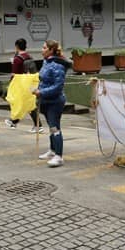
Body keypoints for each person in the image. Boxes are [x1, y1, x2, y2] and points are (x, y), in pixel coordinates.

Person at [34, 39, 72, 167]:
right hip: (45, 100)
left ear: (51, 50)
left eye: (44, 48)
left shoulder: (58, 65)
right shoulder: (46, 62)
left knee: (55, 127)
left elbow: (58, 86)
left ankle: (59, 156)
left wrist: (42, 92)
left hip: (55, 102)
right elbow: (43, 80)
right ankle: (52, 150)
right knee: (51, 126)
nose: (42, 50)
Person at [4, 38, 44, 133]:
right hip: (32, 83)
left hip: (22, 85)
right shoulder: (29, 56)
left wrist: (10, 85)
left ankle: (14, 121)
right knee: (29, 104)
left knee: (17, 101)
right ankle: (16, 121)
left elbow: (14, 74)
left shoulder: (17, 59)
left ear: (16, 46)